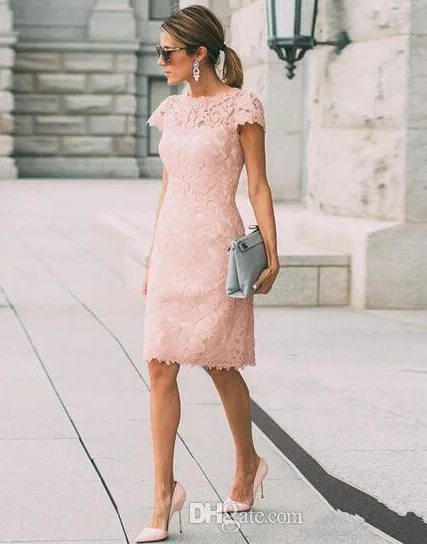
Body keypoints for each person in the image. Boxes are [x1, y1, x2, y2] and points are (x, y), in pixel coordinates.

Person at [136, 4, 280, 543]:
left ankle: (247, 466)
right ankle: (163, 493)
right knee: (159, 366)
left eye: (168, 52)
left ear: (200, 55)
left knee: (219, 366)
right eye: (159, 51)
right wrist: (153, 256)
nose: (161, 61)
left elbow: (259, 185)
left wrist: (271, 249)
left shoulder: (242, 108)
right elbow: (168, 188)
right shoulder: (170, 112)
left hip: (218, 251)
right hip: (174, 250)